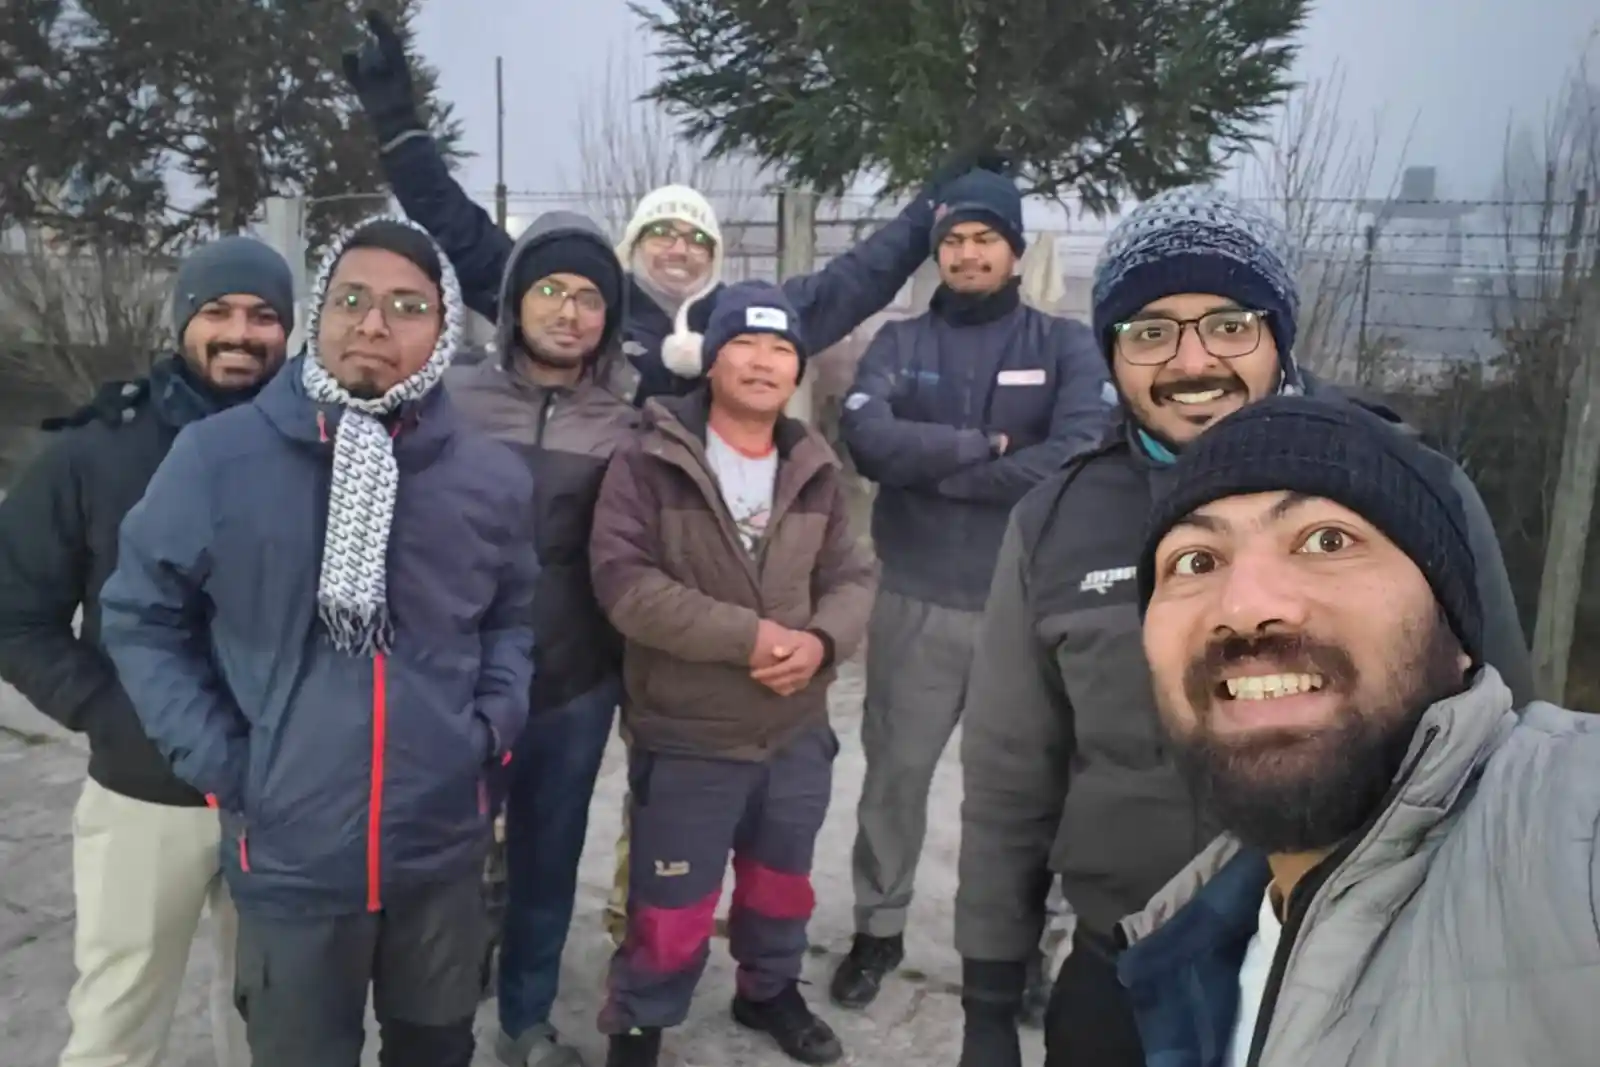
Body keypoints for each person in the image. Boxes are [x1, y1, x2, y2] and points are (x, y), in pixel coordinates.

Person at [952, 185, 1537, 1067]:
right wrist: (990, 1003)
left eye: (1228, 324)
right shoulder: (1054, 521)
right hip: (1128, 965)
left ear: (1278, 334)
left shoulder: (1411, 488)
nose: (1192, 361)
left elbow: (1508, 734)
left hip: (1373, 974)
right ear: (1111, 352)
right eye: (1150, 331)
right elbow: (1010, 775)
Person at [98, 216, 539, 1067]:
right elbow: (141, 613)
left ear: (444, 328)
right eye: (352, 299)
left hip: (438, 849)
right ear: (321, 313)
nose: (373, 323)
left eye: (407, 306)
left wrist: (490, 726)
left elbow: (512, 615)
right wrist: (225, 759)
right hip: (291, 854)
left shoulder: (488, 477)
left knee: (436, 1047)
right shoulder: (219, 458)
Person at [1121, 394, 1600, 1065]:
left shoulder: (1573, 824)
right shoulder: (1175, 955)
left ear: (1456, 633)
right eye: (1196, 561)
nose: (1245, 607)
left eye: (1327, 541)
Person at [340, 11, 989, 407]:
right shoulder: (585, 299)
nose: (679, 248)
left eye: (695, 238)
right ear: (634, 244)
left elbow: (856, 280)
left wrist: (931, 208)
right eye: (661, 233)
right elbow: (458, 229)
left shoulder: (744, 316)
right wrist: (398, 126)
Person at [0, 235, 293, 1067]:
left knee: (273, 1024)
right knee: (118, 1022)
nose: (240, 333)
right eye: (218, 311)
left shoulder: (320, 447)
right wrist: (107, 709)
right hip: (144, 792)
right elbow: (14, 612)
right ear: (182, 321)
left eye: (263, 316)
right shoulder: (96, 452)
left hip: (282, 795)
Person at [830, 168, 1112, 1009]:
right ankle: (877, 929)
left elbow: (1075, 453)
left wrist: (938, 472)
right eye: (952, 240)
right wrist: (979, 450)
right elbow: (868, 439)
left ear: (1015, 251)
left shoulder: (1063, 347)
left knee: (1021, 793)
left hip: (1021, 609)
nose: (967, 253)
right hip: (915, 598)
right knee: (895, 778)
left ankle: (1014, 950)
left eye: (985, 238)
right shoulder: (898, 343)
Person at [589, 281, 876, 1067]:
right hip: (690, 731)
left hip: (794, 729)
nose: (763, 361)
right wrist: (749, 638)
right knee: (670, 904)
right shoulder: (650, 457)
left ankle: (768, 988)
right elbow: (625, 583)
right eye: (744, 343)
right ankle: (640, 1021)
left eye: (781, 348)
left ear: (797, 370)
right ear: (711, 360)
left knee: (781, 884)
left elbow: (853, 576)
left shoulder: (812, 465)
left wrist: (820, 642)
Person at [443, 209, 638, 1067]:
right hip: (457, 674)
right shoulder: (452, 401)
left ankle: (526, 1020)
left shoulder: (628, 419)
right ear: (515, 301)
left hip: (573, 680)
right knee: (446, 854)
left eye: (590, 297)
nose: (569, 311)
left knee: (547, 861)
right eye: (551, 289)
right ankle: (437, 1011)